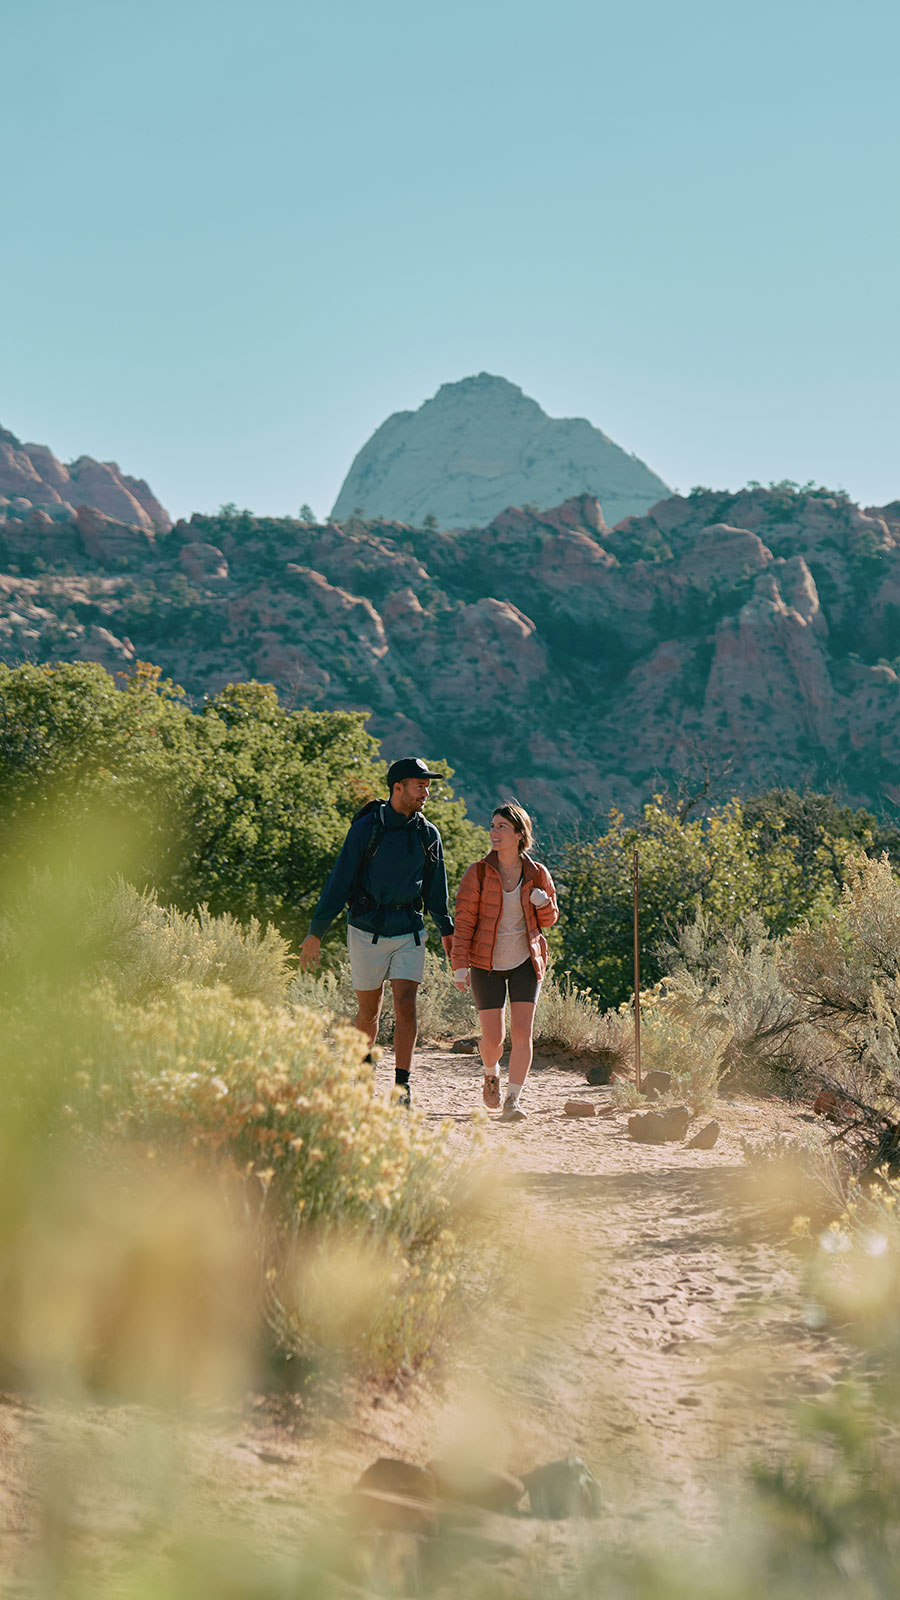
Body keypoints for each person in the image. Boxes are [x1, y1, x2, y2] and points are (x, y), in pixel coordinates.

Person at [298, 757, 454, 1105]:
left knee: (406, 1005)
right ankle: (363, 1073)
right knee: (369, 1012)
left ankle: (402, 1087)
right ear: (397, 787)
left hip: (409, 932)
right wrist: (316, 932)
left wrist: (448, 933)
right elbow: (339, 883)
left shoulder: (428, 835)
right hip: (366, 930)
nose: (426, 792)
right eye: (420, 785)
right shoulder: (365, 830)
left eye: (427, 786)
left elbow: (436, 892)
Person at [451, 802, 558, 1121]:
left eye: (501, 827)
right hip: (486, 964)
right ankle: (490, 1073)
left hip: (526, 961)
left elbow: (550, 920)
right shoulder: (479, 872)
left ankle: (513, 1100)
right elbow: (464, 920)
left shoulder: (537, 872)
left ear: (518, 834)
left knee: (523, 1033)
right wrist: (460, 963)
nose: (494, 833)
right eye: (492, 826)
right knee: (493, 1039)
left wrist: (543, 902)